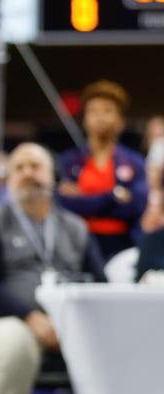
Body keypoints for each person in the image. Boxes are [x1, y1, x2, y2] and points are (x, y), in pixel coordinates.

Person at [0, 143, 104, 394]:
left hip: (71, 325)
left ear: (53, 175)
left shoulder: (75, 227)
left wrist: (70, 320)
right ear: (8, 179)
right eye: (19, 167)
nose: (28, 173)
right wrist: (31, 317)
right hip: (6, 321)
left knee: (115, 344)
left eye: (36, 166)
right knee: (17, 348)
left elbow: (101, 282)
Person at [57, 80, 148, 260]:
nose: (100, 117)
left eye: (108, 111)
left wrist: (85, 200)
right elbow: (64, 205)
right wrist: (113, 196)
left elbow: (135, 206)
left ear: (121, 121)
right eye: (94, 111)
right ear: (84, 120)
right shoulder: (69, 161)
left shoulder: (133, 162)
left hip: (121, 246)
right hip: (76, 244)